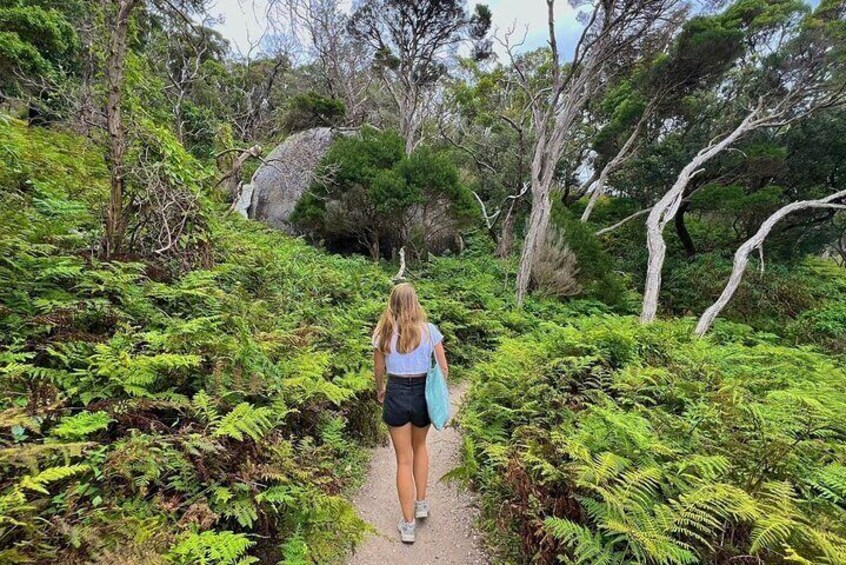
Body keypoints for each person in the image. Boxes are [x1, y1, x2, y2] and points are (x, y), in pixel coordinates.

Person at [372, 283, 448, 544]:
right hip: (422, 396)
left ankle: (407, 525)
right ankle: (422, 502)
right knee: (421, 447)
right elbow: (444, 369)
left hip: (396, 393)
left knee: (403, 459)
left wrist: (381, 391)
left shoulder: (382, 333)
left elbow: (379, 371)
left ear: (391, 303)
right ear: (414, 302)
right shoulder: (430, 331)